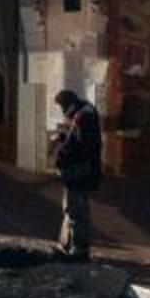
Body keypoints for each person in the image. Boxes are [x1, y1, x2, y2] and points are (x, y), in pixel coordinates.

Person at [50, 89, 104, 261]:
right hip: (82, 170)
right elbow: (74, 137)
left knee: (76, 210)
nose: (62, 111)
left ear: (69, 105)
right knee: (71, 208)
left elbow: (79, 146)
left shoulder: (83, 116)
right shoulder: (84, 112)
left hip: (80, 171)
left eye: (62, 107)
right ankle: (66, 245)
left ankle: (79, 250)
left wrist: (61, 157)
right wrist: (62, 137)